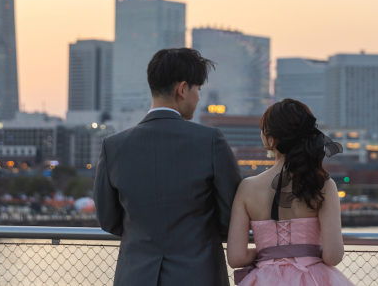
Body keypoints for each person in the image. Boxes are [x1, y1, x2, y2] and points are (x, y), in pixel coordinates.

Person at [94, 48, 243, 286]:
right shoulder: (210, 141)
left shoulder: (114, 146)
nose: (198, 97)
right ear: (183, 89)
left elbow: (108, 219)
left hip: (135, 277)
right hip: (198, 276)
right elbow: (232, 216)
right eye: (198, 89)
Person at [227, 99, 354, 286]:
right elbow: (333, 255)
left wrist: (268, 251)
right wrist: (303, 251)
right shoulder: (323, 184)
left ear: (271, 139)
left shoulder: (247, 188)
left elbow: (236, 257)